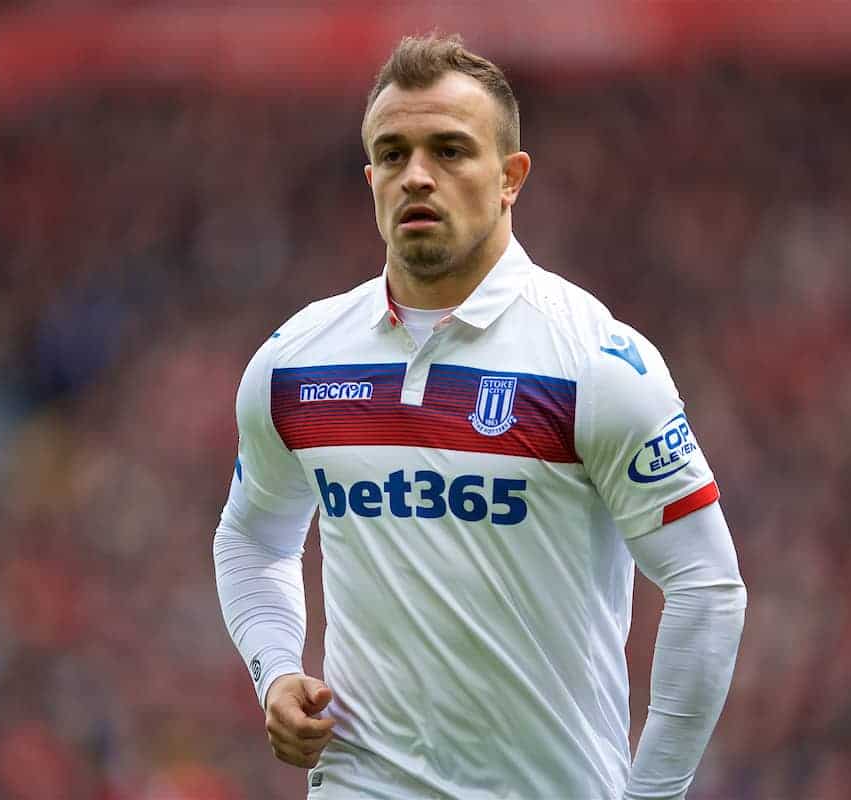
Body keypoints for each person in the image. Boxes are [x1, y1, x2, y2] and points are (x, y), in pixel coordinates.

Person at [214, 33, 747, 800]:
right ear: (370, 178)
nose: (417, 176)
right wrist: (274, 667)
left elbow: (707, 588)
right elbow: (251, 537)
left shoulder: (594, 361)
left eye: (451, 150)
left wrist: (655, 793)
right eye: (392, 154)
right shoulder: (297, 362)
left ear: (510, 177)